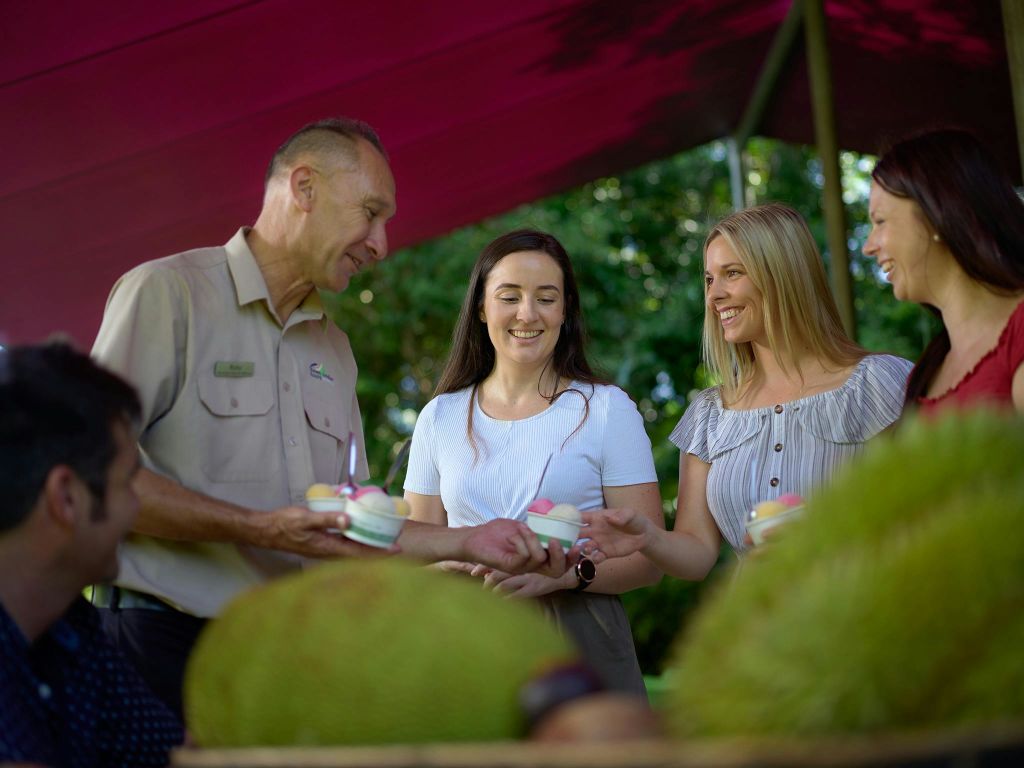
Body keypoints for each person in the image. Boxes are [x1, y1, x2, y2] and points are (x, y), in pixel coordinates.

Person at [90, 118, 566, 718]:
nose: (381, 242)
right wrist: (260, 529)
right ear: (304, 188)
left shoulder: (334, 350)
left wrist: (472, 540)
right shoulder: (166, 294)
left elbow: (355, 526)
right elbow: (95, 477)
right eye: (371, 212)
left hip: (288, 660)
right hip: (158, 644)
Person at [579, 204, 913, 578]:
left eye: (732, 274)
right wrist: (647, 538)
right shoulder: (710, 413)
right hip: (758, 629)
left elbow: (929, 515)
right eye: (709, 280)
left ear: (782, 276)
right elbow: (697, 551)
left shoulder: (879, 384)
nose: (714, 296)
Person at [404, 229, 663, 696]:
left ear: (565, 312)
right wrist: (451, 565)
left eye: (546, 298)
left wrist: (562, 576)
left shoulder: (607, 409)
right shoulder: (438, 417)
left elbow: (649, 557)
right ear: (482, 308)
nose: (527, 314)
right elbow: (416, 548)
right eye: (509, 297)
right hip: (467, 638)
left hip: (580, 638)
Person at [0, 343, 184, 766]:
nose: (136, 508)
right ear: (66, 497)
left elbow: (172, 756)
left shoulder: (72, 629)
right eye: (127, 483)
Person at [864, 128, 1024, 413]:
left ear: (937, 214)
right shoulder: (926, 373)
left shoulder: (1019, 334)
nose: (869, 246)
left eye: (880, 221)